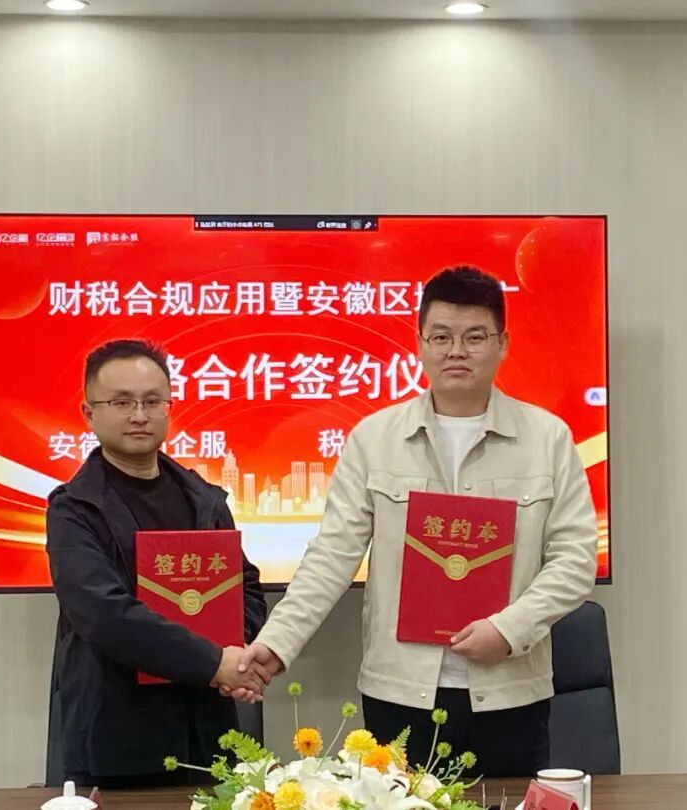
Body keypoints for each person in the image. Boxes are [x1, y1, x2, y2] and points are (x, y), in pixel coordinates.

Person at [234, 267, 598, 777]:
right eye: (441, 337)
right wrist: (277, 643)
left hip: (509, 690)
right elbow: (332, 555)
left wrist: (508, 628)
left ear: (503, 343)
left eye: (475, 337)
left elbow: (575, 560)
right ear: (420, 343)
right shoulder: (375, 438)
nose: (457, 351)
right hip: (400, 690)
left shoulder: (548, 438)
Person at [45, 339, 269, 788]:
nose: (139, 415)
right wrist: (215, 663)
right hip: (117, 741)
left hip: (208, 730)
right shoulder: (74, 508)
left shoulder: (202, 498)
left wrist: (238, 657)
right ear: (89, 412)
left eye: (152, 401)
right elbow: (105, 616)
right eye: (121, 402)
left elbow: (244, 586)